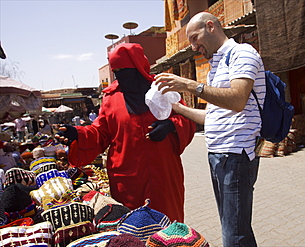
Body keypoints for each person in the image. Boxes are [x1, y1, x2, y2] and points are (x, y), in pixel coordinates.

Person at [154, 12, 266, 247]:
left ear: (211, 26)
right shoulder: (217, 65)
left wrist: (190, 85)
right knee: (236, 228)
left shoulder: (241, 54)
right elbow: (213, 118)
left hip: (236, 155)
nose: (194, 47)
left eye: (195, 38)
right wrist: (176, 108)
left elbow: (237, 100)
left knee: (233, 235)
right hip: (220, 157)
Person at [55, 43, 196, 222]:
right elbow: (100, 132)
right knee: (131, 227)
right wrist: (78, 134)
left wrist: (171, 125)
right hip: (127, 180)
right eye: (116, 71)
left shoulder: (162, 89)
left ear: (137, 68)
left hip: (164, 173)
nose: (121, 76)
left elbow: (187, 118)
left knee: (168, 223)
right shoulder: (111, 98)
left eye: (125, 70)